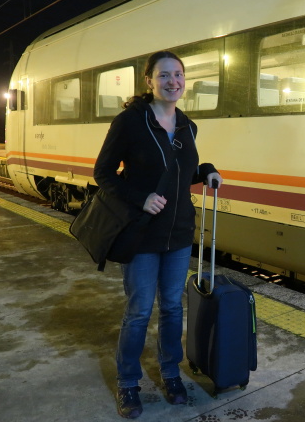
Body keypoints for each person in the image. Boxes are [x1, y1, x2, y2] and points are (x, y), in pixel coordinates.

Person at [93, 50, 223, 419]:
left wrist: (207, 169)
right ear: (149, 81)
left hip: (179, 233)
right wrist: (141, 197)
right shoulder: (130, 122)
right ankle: (128, 383)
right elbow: (103, 174)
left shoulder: (187, 125)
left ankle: (170, 374)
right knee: (138, 311)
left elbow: (181, 171)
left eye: (178, 75)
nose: (173, 82)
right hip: (141, 235)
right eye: (164, 75)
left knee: (170, 308)